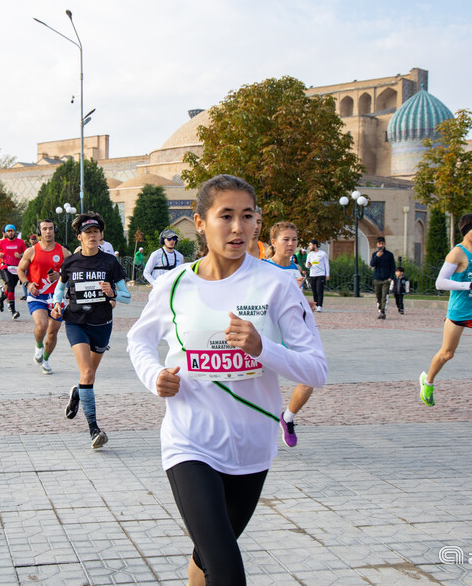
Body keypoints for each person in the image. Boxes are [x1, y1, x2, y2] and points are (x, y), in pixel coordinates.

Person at [127, 175, 327, 585]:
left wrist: (261, 348)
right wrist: (154, 376)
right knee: (226, 569)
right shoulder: (173, 285)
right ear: (200, 222)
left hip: (251, 447)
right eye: (226, 216)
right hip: (189, 442)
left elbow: (315, 370)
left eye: (247, 216)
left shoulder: (277, 285)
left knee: (207, 554)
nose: (238, 228)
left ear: (258, 223)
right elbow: (138, 339)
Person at [51, 212, 130, 448]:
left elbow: (126, 296)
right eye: (88, 232)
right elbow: (59, 289)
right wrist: (57, 304)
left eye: (96, 232)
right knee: (87, 373)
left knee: (89, 377)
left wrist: (112, 293)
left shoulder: (110, 262)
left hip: (102, 324)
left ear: (101, 235)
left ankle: (77, 393)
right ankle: (94, 429)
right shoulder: (70, 262)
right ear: (80, 237)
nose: (92, 235)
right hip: (76, 322)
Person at [419, 213, 472, 417]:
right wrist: (470, 285)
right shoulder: (457, 253)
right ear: (466, 231)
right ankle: (428, 381)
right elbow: (440, 283)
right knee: (447, 353)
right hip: (459, 310)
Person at [264, 221, 319, 448]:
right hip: (268, 334)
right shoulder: (263, 269)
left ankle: (287, 418)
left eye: (294, 240)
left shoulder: (295, 269)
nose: (290, 244)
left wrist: (305, 303)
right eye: (285, 240)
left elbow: (292, 304)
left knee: (308, 380)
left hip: (293, 333)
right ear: (274, 242)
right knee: (261, 387)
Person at [18, 219, 70, 375]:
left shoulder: (63, 252)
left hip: (56, 298)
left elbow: (72, 272)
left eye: (51, 229)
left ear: (55, 231)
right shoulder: (31, 251)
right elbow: (20, 270)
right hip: (37, 296)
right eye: (45, 229)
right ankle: (39, 345)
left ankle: (45, 360)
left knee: (53, 332)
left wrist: (60, 275)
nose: (48, 232)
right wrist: (28, 284)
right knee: (41, 326)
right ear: (40, 231)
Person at [0, 224, 27, 319]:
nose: (10, 233)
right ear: (6, 233)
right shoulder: (2, 242)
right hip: (5, 267)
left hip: (16, 268)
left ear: (14, 232)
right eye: (8, 231)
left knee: (11, 287)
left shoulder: (20, 242)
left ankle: (2, 297)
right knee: (10, 286)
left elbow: (26, 253)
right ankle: (13, 311)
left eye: (12, 231)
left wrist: (20, 255)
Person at [369, 236, 396, 319]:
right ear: (377, 244)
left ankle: (383, 311)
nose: (381, 245)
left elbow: (393, 266)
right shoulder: (374, 254)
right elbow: (372, 264)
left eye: (382, 243)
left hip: (386, 279)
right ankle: (381, 309)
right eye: (379, 243)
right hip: (377, 278)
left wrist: (391, 277)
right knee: (378, 296)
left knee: (384, 295)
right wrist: (377, 256)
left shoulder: (389, 254)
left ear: (384, 244)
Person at [305, 239, 329, 312]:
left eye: (310, 245)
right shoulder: (310, 254)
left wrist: (327, 274)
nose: (309, 247)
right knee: (314, 291)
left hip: (320, 274)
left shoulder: (323, 254)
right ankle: (315, 304)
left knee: (319, 290)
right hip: (313, 274)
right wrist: (308, 265)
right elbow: (307, 264)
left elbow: (326, 264)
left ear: (315, 245)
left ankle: (319, 306)